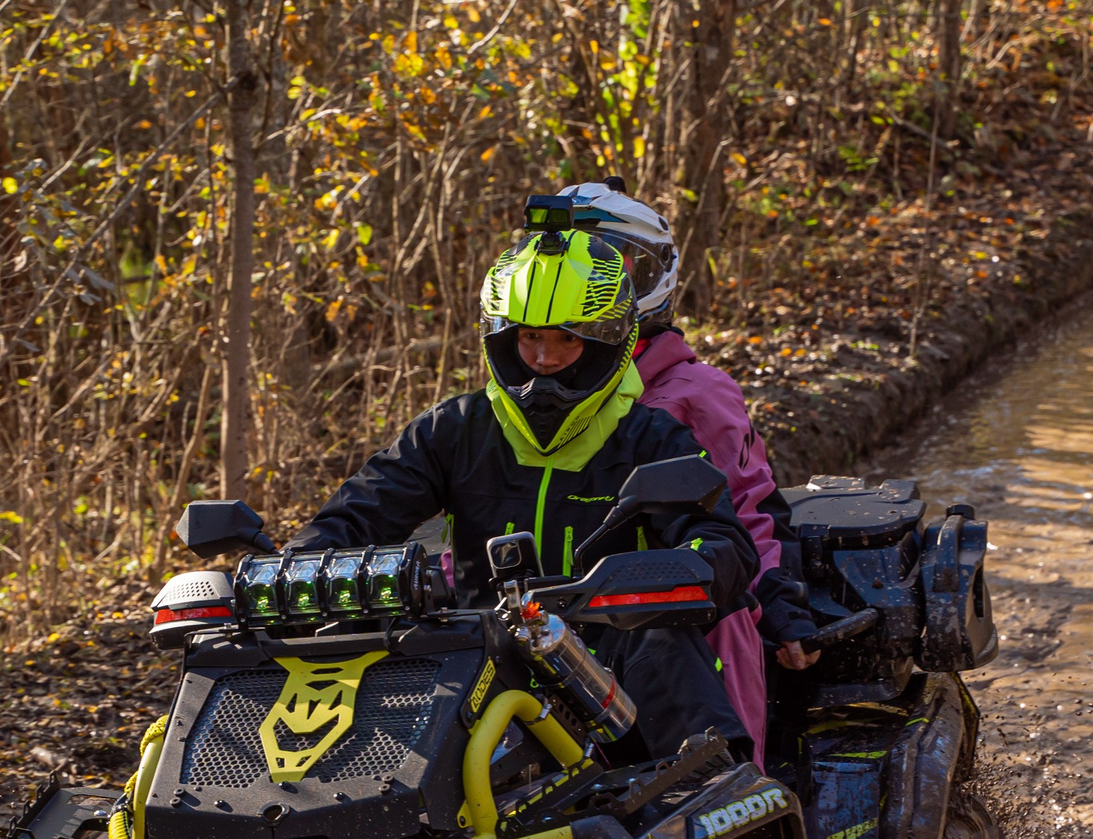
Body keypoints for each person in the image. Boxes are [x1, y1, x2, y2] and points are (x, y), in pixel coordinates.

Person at [284, 206, 757, 759]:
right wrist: (296, 565)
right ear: (501, 336)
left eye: (566, 341)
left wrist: (672, 570)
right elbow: (356, 514)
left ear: (607, 341)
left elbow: (724, 541)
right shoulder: (453, 429)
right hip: (473, 669)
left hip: (612, 675)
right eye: (530, 337)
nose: (542, 359)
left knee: (662, 640)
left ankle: (714, 806)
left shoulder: (653, 438)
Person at [549, 179, 819, 766]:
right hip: (556, 614)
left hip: (684, 612)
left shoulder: (694, 394)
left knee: (722, 652)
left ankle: (744, 799)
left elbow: (749, 506)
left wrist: (780, 603)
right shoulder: (525, 395)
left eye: (608, 266)